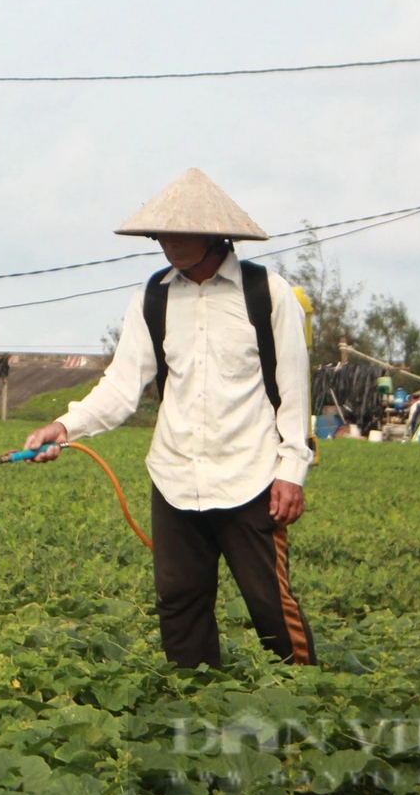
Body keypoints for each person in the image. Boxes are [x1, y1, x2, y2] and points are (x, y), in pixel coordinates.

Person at [23, 168, 316, 668]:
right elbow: (121, 386)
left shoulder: (267, 294)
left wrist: (292, 471)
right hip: (175, 475)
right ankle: (195, 706)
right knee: (180, 604)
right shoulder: (154, 297)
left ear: (215, 234)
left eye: (181, 231)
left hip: (251, 476)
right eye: (161, 233)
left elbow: (293, 392)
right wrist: (65, 426)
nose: (169, 242)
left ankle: (304, 700)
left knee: (271, 605)